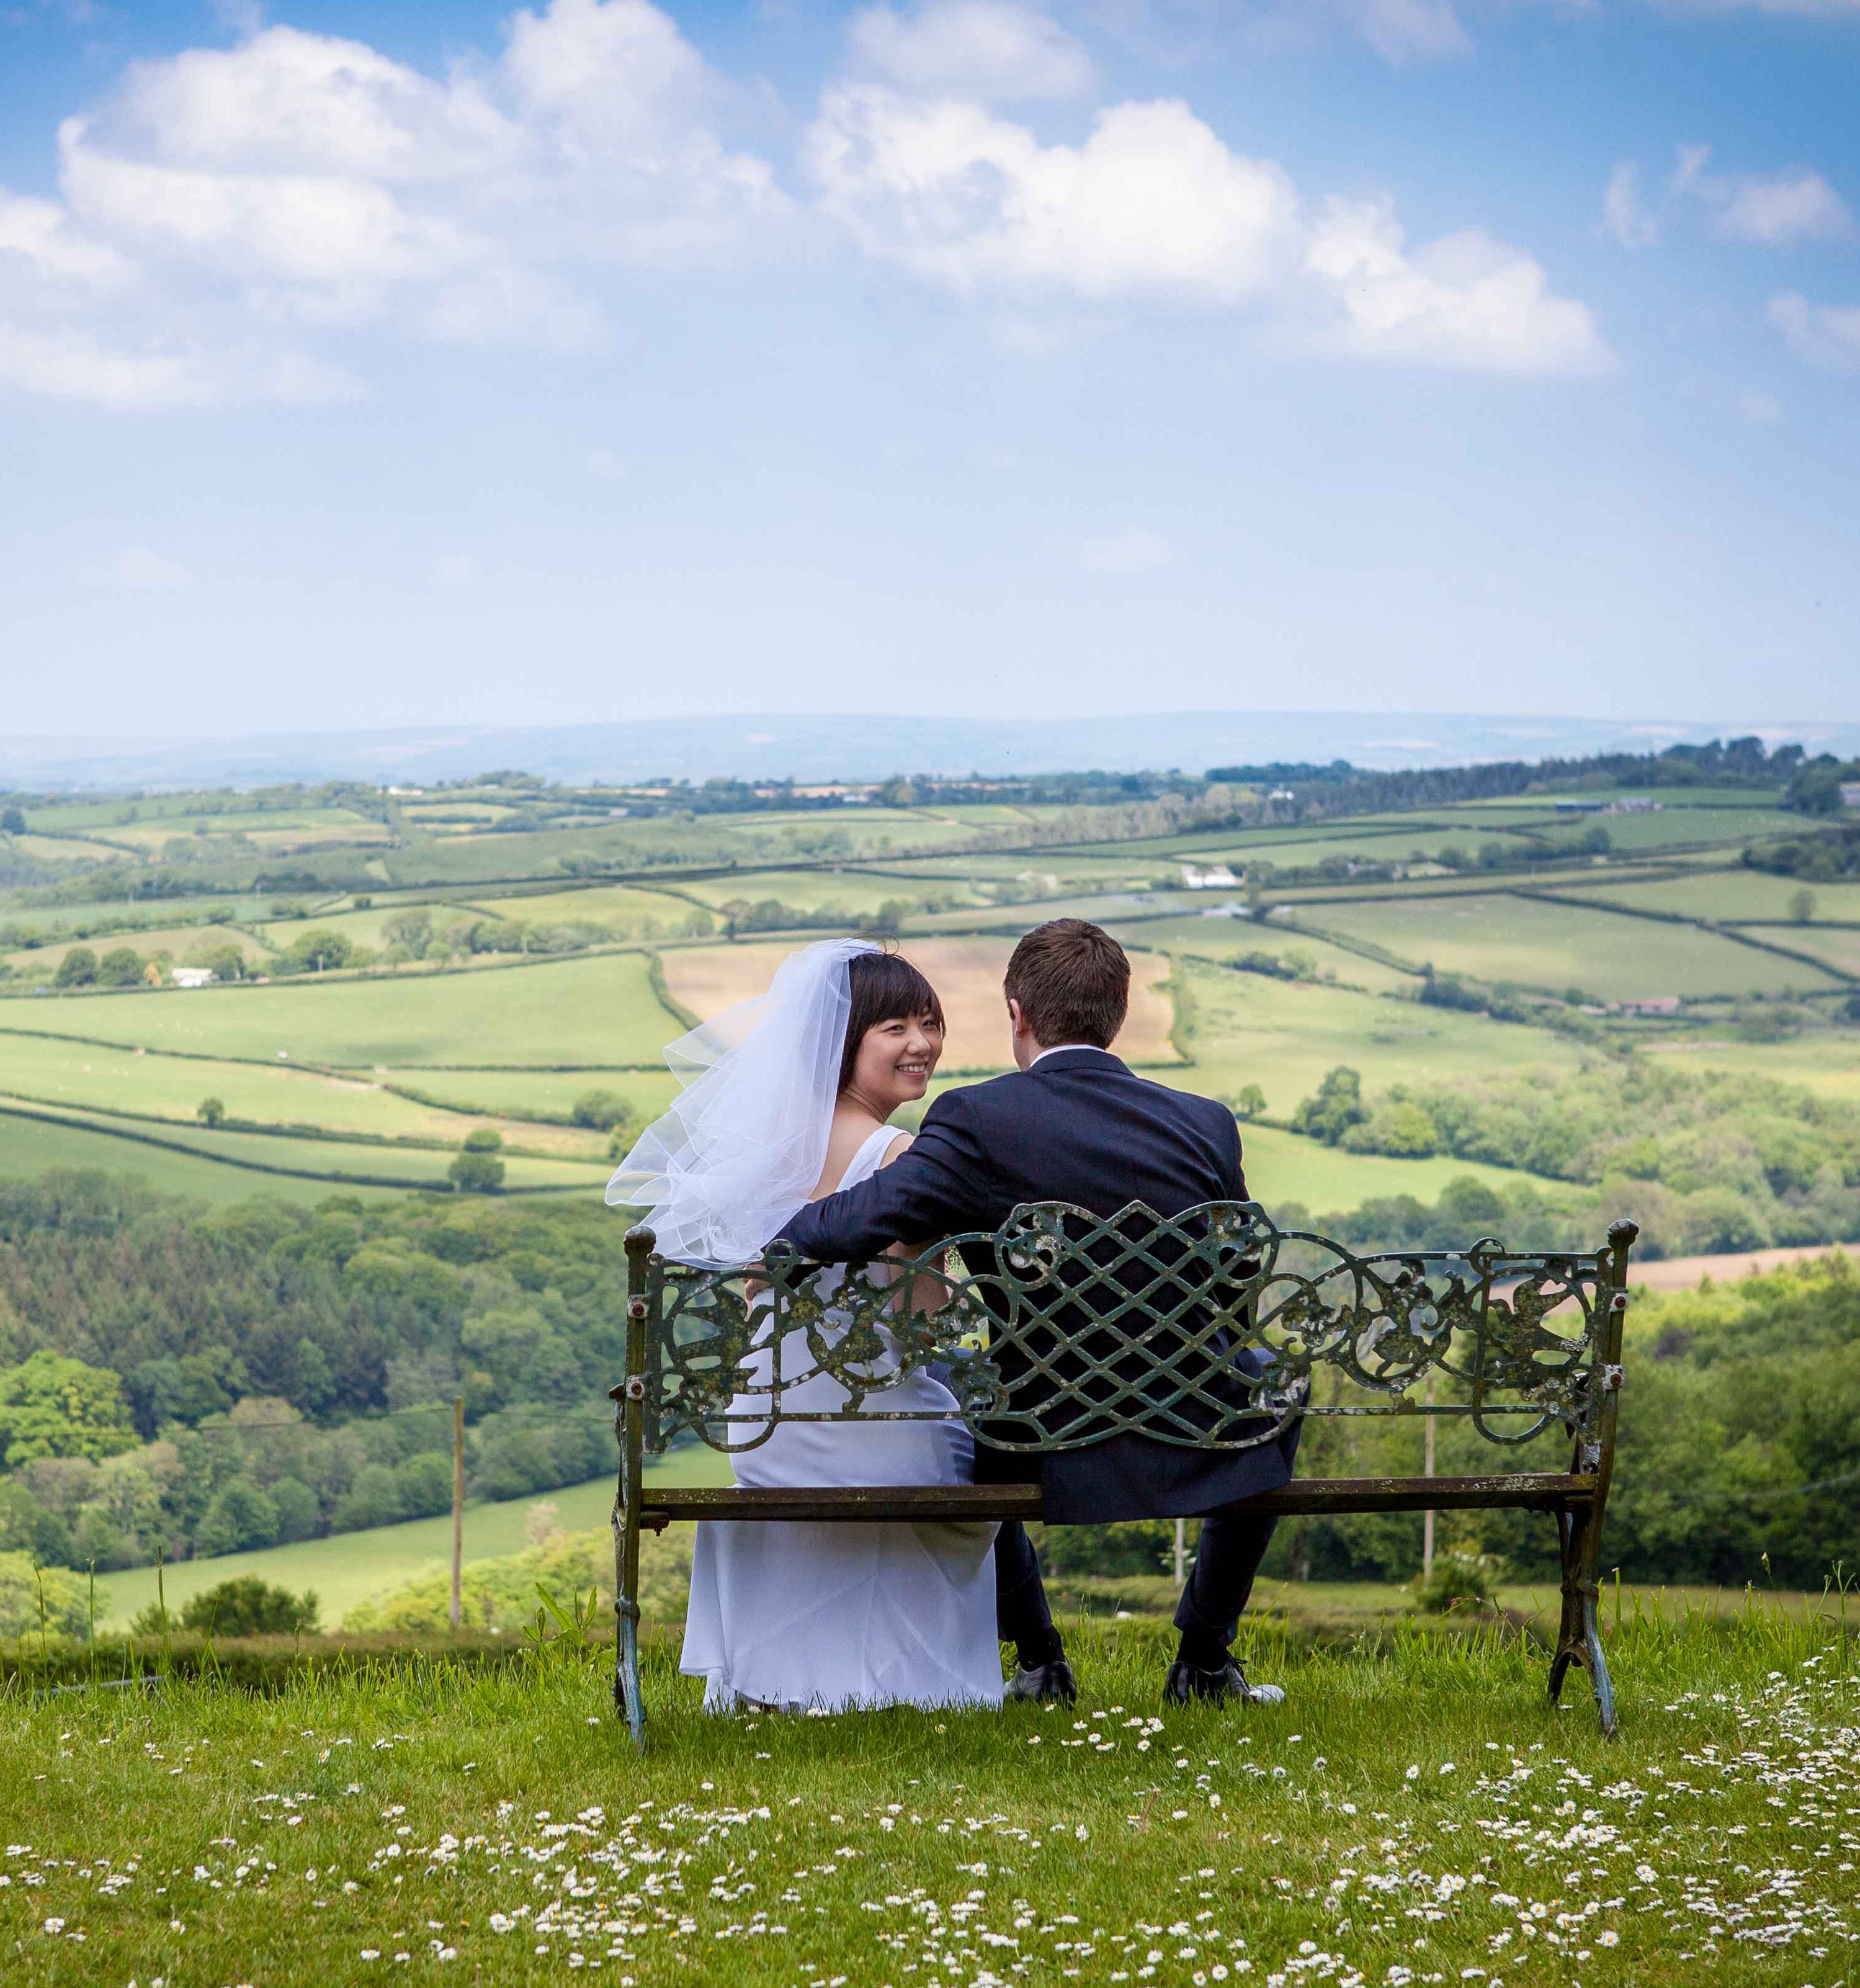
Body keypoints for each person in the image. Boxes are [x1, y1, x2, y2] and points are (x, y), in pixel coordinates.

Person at [777, 918, 1299, 1708]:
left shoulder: (978, 1120)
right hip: (1197, 1417)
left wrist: (777, 1248)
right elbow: (1229, 1276)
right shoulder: (1205, 1121)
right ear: (1117, 1014)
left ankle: (1041, 1660)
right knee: (1273, 1397)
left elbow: (867, 1214)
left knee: (960, 1407)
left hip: (1039, 1430)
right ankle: (1203, 1658)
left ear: (1017, 1012)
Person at [607, 938, 1002, 1714]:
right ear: (844, 1042)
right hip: (872, 1428)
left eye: (930, 1023)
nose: (921, 1044)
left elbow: (760, 1304)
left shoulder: (767, 1152)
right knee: (989, 1449)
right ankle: (957, 1677)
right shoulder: (900, 1157)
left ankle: (782, 1684)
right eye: (894, 1028)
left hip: (765, 1427)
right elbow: (916, 1328)